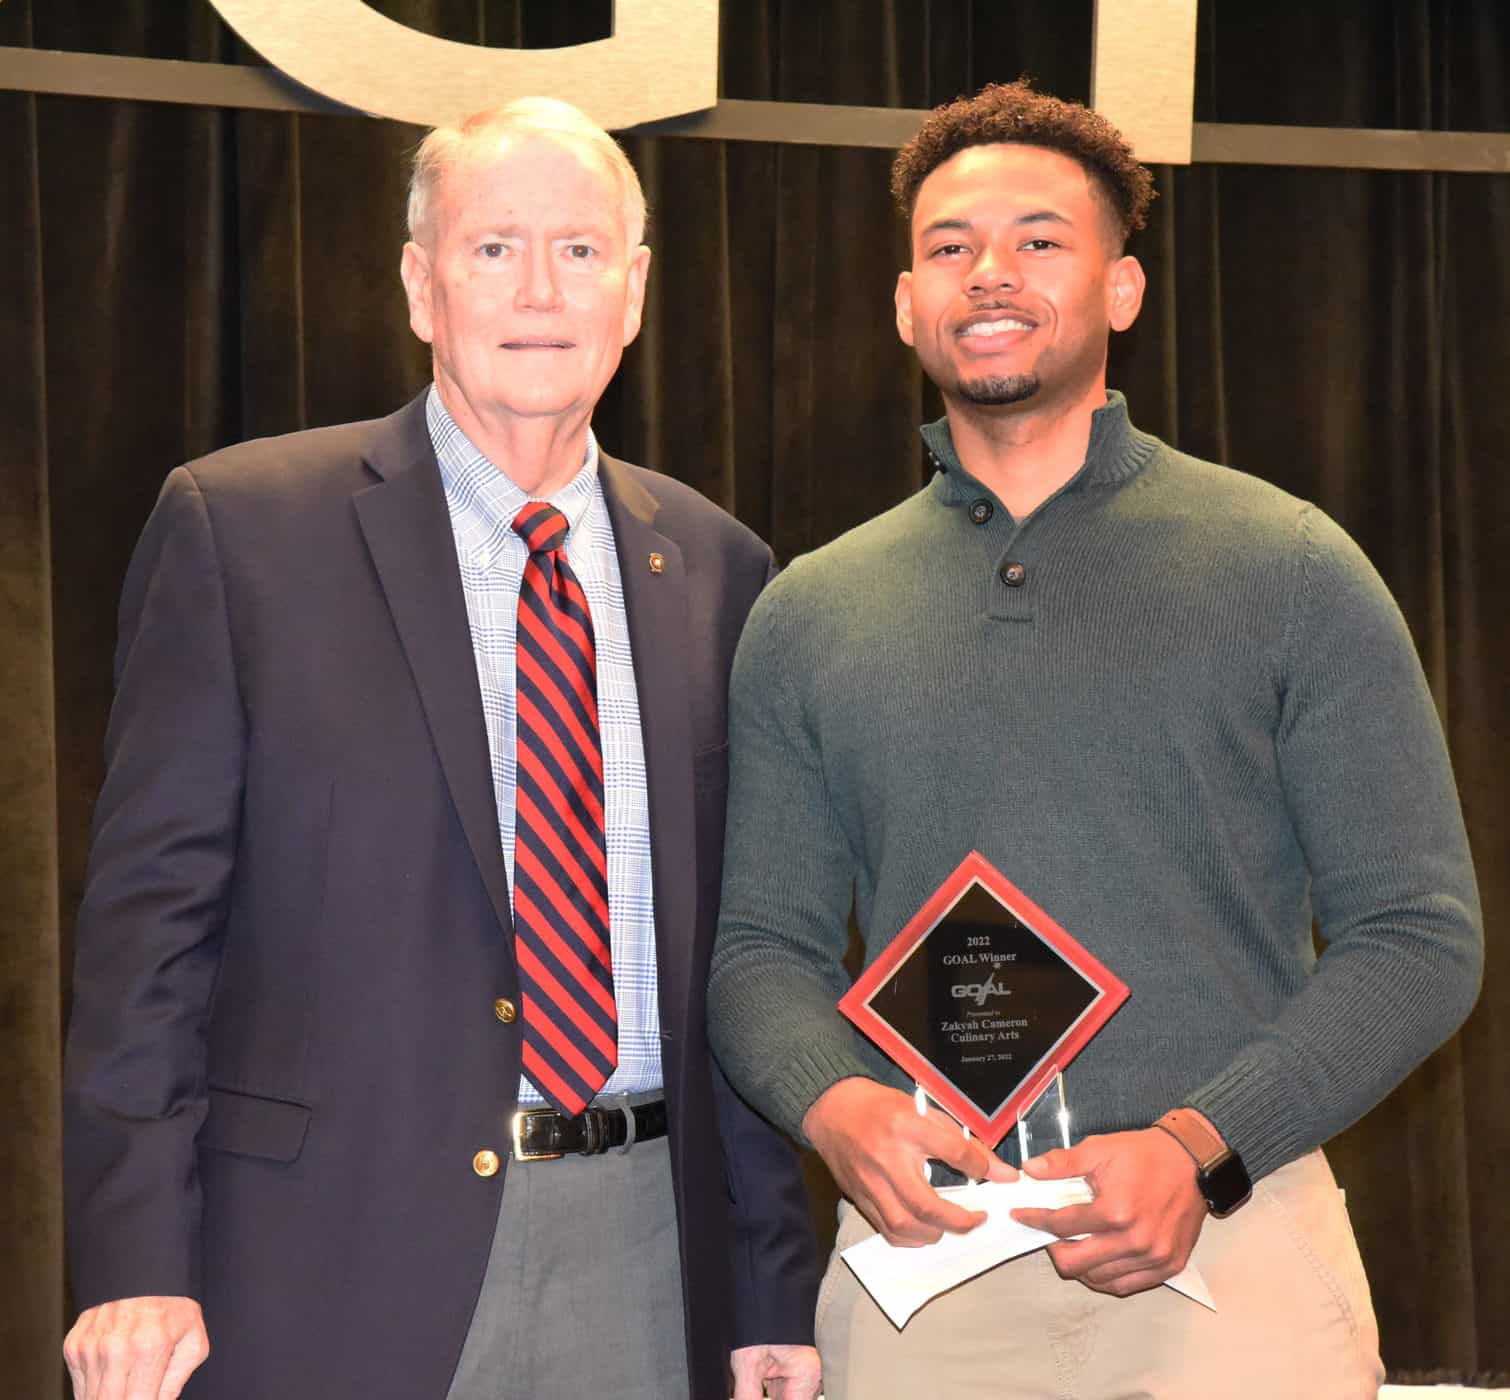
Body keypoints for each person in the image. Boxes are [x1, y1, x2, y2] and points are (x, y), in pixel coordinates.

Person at [707, 81, 1482, 1399]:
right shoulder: (808, 611)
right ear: (905, 303)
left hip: (1233, 1255)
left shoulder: (1289, 568)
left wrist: (1196, 1144)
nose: (987, 272)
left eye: (1038, 240)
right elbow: (757, 952)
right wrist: (836, 1109)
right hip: (926, 1272)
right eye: (947, 246)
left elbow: (1417, 937)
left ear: (1121, 290)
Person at [62, 98, 820, 1400]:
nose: (539, 289)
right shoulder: (242, 531)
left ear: (634, 293)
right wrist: (134, 1254)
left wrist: (770, 1288)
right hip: (325, 1258)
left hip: (646, 1251)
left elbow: (734, 964)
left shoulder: (717, 565)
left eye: (580, 251)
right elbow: (148, 944)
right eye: (491, 249)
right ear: (420, 285)